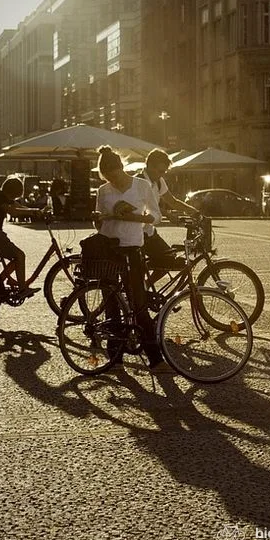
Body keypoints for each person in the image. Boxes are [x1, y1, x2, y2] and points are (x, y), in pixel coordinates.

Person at [94, 147, 170, 372]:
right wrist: (97, 218)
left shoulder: (141, 186)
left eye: (115, 176)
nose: (113, 182)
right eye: (108, 178)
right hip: (108, 250)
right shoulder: (103, 191)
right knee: (111, 306)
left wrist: (141, 218)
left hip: (132, 248)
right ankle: (115, 359)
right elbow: (98, 222)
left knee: (138, 304)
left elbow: (156, 216)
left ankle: (155, 360)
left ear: (121, 169)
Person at [137, 149, 199, 278]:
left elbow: (173, 201)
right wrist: (167, 214)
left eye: (164, 172)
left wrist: (194, 212)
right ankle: (137, 289)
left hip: (149, 231)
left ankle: (145, 289)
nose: (162, 175)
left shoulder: (158, 181)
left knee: (168, 260)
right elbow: (142, 208)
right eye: (160, 171)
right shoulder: (139, 182)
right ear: (149, 166)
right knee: (161, 261)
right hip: (137, 233)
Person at [0, 176, 38, 297]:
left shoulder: (2, 195)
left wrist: (36, 210)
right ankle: (22, 289)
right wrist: (33, 212)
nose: (15, 198)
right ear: (13, 191)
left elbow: (18, 206)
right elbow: (13, 212)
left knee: (16, 258)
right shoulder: (0, 198)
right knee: (20, 256)